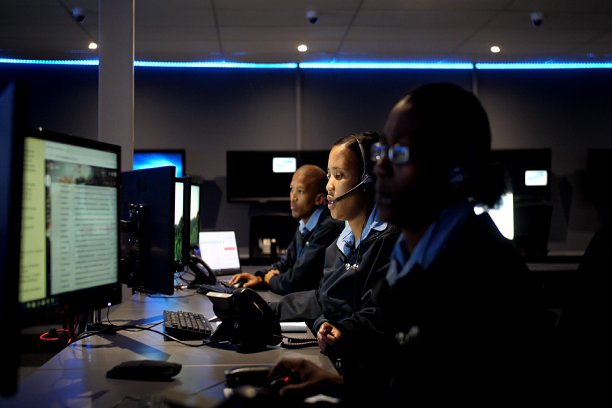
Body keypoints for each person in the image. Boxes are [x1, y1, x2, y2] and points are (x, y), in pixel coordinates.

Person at [269, 84, 557, 405]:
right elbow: (412, 379)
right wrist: (339, 384)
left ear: (454, 170)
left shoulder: (482, 274)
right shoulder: (415, 257)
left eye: (400, 153)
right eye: (382, 153)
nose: (380, 168)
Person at [268, 132, 401, 333]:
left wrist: (341, 332)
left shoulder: (390, 242)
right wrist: (265, 310)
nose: (329, 186)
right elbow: (324, 301)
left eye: (339, 176)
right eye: (329, 175)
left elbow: (379, 315)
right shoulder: (338, 247)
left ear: (367, 179)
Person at [229, 165, 343, 295]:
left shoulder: (328, 228)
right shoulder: (304, 225)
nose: (293, 198)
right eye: (292, 189)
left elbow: (296, 282)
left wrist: (271, 280)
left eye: (300, 191)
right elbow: (286, 264)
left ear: (319, 199)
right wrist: (261, 277)